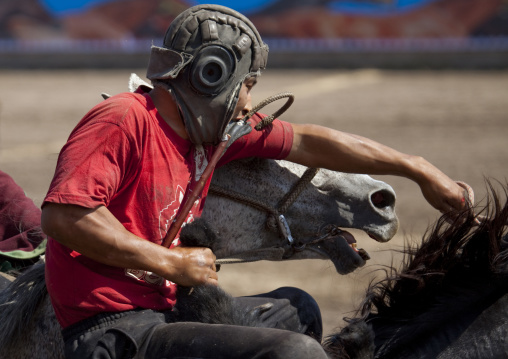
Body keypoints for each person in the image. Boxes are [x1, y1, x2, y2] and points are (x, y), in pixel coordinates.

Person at [41, 4, 466, 359]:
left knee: (299, 310)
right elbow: (65, 216)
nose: (248, 101)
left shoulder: (210, 134)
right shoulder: (124, 118)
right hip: (115, 331)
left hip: (169, 312)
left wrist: (417, 168)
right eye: (247, 85)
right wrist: (170, 263)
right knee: (296, 353)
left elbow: (309, 141)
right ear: (211, 75)